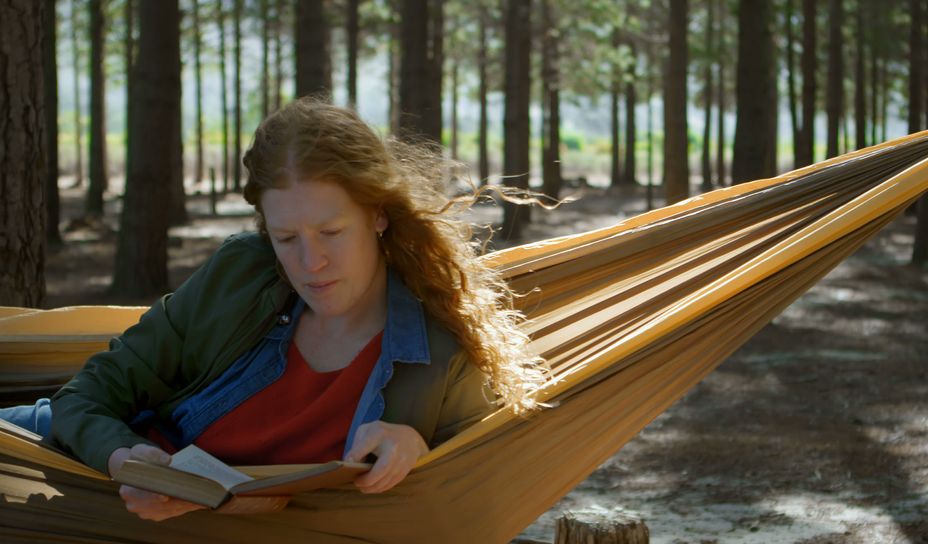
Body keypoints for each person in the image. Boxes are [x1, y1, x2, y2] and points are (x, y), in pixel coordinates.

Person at [1, 98, 544, 521]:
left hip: (216, 543)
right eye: (286, 238)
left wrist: (418, 446)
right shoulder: (242, 273)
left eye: (331, 231)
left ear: (379, 215)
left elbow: (476, 503)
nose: (311, 263)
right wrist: (124, 457)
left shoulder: (441, 354)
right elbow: (85, 397)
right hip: (65, 472)